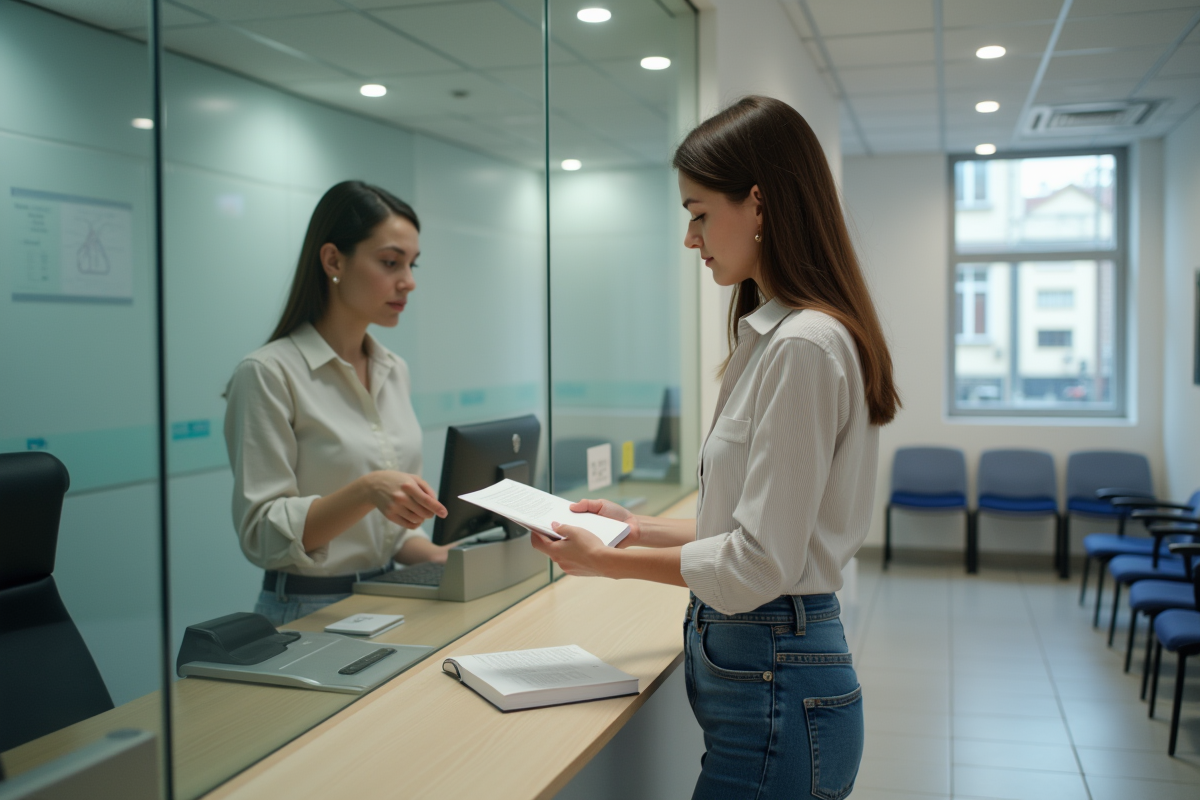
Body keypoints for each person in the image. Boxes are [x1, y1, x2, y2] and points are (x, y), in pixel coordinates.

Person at [532, 97, 899, 800]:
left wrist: (610, 562)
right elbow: (750, 528)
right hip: (768, 685)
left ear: (758, 205)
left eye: (699, 213)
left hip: (778, 685)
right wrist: (632, 526)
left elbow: (758, 564)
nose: (690, 238)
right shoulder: (774, 337)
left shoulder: (804, 345)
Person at [225, 180, 450, 626]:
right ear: (333, 260)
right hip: (306, 609)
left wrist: (446, 556)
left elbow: (390, 535)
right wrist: (366, 490)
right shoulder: (268, 373)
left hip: (388, 598)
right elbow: (262, 535)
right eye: (390, 262)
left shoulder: (393, 368)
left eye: (412, 264)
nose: (408, 282)